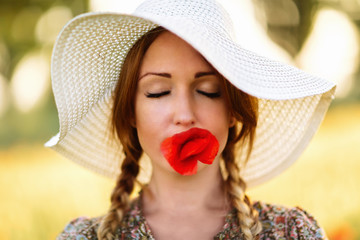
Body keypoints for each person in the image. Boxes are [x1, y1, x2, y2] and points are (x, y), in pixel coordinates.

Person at [47, 0, 336, 239]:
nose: (185, 115)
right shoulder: (82, 237)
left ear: (233, 110)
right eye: (158, 93)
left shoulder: (294, 232)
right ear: (130, 112)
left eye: (208, 91)